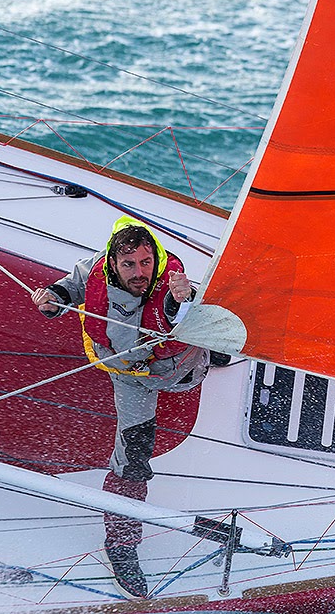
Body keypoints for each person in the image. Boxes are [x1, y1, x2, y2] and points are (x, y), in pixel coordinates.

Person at [31, 216, 209, 599]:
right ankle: (122, 545)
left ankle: (218, 353)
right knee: (132, 460)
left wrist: (185, 300)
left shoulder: (171, 283)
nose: (139, 272)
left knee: (206, 329)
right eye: (129, 265)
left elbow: (180, 311)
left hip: (180, 368)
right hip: (129, 378)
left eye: (146, 262)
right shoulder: (94, 270)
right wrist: (50, 300)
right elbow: (66, 291)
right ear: (112, 262)